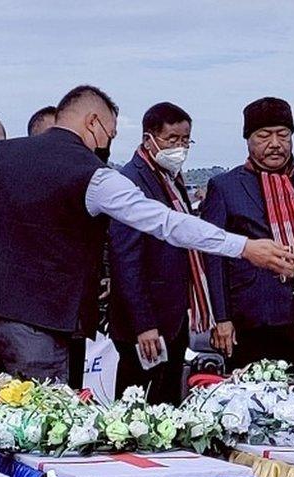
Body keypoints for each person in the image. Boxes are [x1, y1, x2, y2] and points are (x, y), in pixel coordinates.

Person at [0, 85, 294, 405]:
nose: (108, 143)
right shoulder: (95, 176)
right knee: (36, 437)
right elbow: (165, 223)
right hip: (41, 328)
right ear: (92, 123)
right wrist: (245, 247)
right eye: (110, 134)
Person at [202, 97, 294, 374]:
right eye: (264, 136)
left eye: (283, 135)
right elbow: (214, 257)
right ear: (248, 140)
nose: (275, 144)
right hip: (252, 318)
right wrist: (221, 318)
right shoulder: (224, 186)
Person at [108, 102, 205, 405]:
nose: (179, 147)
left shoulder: (170, 178)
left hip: (174, 318)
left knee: (167, 402)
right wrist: (144, 324)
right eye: (172, 139)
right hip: (146, 323)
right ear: (149, 138)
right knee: (138, 407)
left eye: (185, 140)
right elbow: (127, 261)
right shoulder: (130, 181)